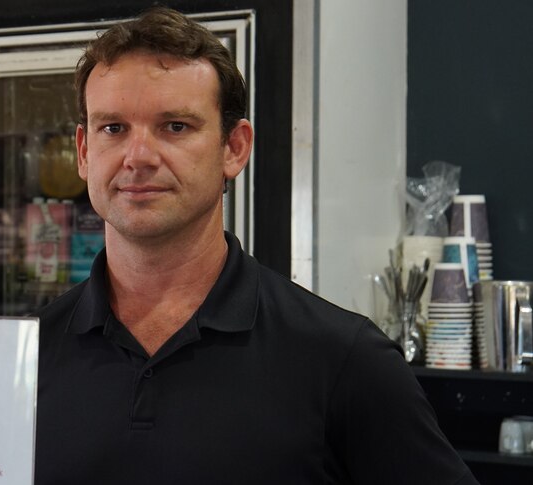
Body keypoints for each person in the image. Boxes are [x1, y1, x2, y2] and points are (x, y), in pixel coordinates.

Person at [34, 7, 479, 484]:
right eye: (113, 128)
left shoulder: (344, 360)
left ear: (234, 148)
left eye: (175, 127)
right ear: (84, 151)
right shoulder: (27, 361)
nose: (138, 156)